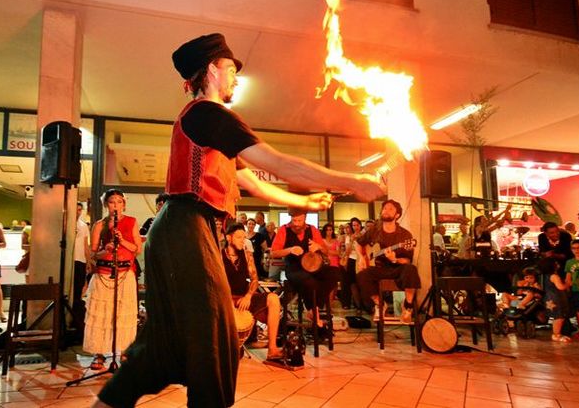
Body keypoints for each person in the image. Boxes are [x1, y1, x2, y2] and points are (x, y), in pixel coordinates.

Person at [92, 33, 383, 408]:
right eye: (231, 69)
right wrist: (350, 180)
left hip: (190, 230)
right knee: (213, 331)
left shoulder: (208, 125)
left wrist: (303, 199)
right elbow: (277, 162)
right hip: (185, 227)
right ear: (212, 70)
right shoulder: (207, 114)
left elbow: (249, 180)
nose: (235, 78)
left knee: (177, 340)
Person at [85, 189, 140, 370]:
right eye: (111, 202)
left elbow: (137, 249)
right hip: (104, 273)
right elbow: (93, 254)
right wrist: (106, 249)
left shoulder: (131, 222)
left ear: (124, 204)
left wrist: (122, 240)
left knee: (123, 314)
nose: (115, 205)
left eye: (119, 202)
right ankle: (98, 353)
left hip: (125, 273)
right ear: (106, 204)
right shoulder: (99, 225)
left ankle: (124, 352)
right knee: (103, 313)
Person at [221, 223, 282, 359]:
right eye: (238, 237)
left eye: (244, 237)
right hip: (226, 299)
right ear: (229, 238)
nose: (242, 241)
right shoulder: (219, 256)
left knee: (273, 298)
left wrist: (249, 295)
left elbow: (254, 279)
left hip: (244, 298)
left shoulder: (247, 255)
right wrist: (227, 300)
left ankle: (272, 348)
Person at [356, 199, 420, 323]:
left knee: (411, 269)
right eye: (385, 208)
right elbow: (358, 243)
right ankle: (379, 304)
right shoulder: (375, 230)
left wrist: (395, 259)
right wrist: (361, 257)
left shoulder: (405, 235)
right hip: (379, 268)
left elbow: (407, 260)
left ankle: (408, 306)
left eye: (390, 209)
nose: (386, 210)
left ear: (397, 215)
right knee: (362, 275)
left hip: (397, 269)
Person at [270, 209, 337, 327]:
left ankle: (315, 307)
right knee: (309, 281)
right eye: (294, 220)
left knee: (335, 273)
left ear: (305, 218)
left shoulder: (312, 229)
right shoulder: (284, 230)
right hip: (294, 269)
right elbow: (273, 253)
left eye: (299, 220)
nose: (296, 223)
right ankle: (313, 311)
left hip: (313, 266)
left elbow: (326, 252)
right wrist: (290, 250)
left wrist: (318, 247)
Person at [72, 202, 91, 330]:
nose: (78, 212)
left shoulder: (83, 226)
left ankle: (75, 319)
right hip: (70, 260)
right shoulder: (65, 224)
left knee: (79, 289)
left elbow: (85, 245)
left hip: (80, 260)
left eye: (80, 210)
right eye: (76, 209)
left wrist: (88, 261)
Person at [544, 259, 571, 342]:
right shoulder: (554, 276)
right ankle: (556, 334)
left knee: (559, 317)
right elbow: (560, 287)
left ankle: (557, 333)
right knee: (559, 317)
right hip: (556, 298)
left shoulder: (547, 276)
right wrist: (568, 283)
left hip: (551, 298)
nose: (558, 264)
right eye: (556, 263)